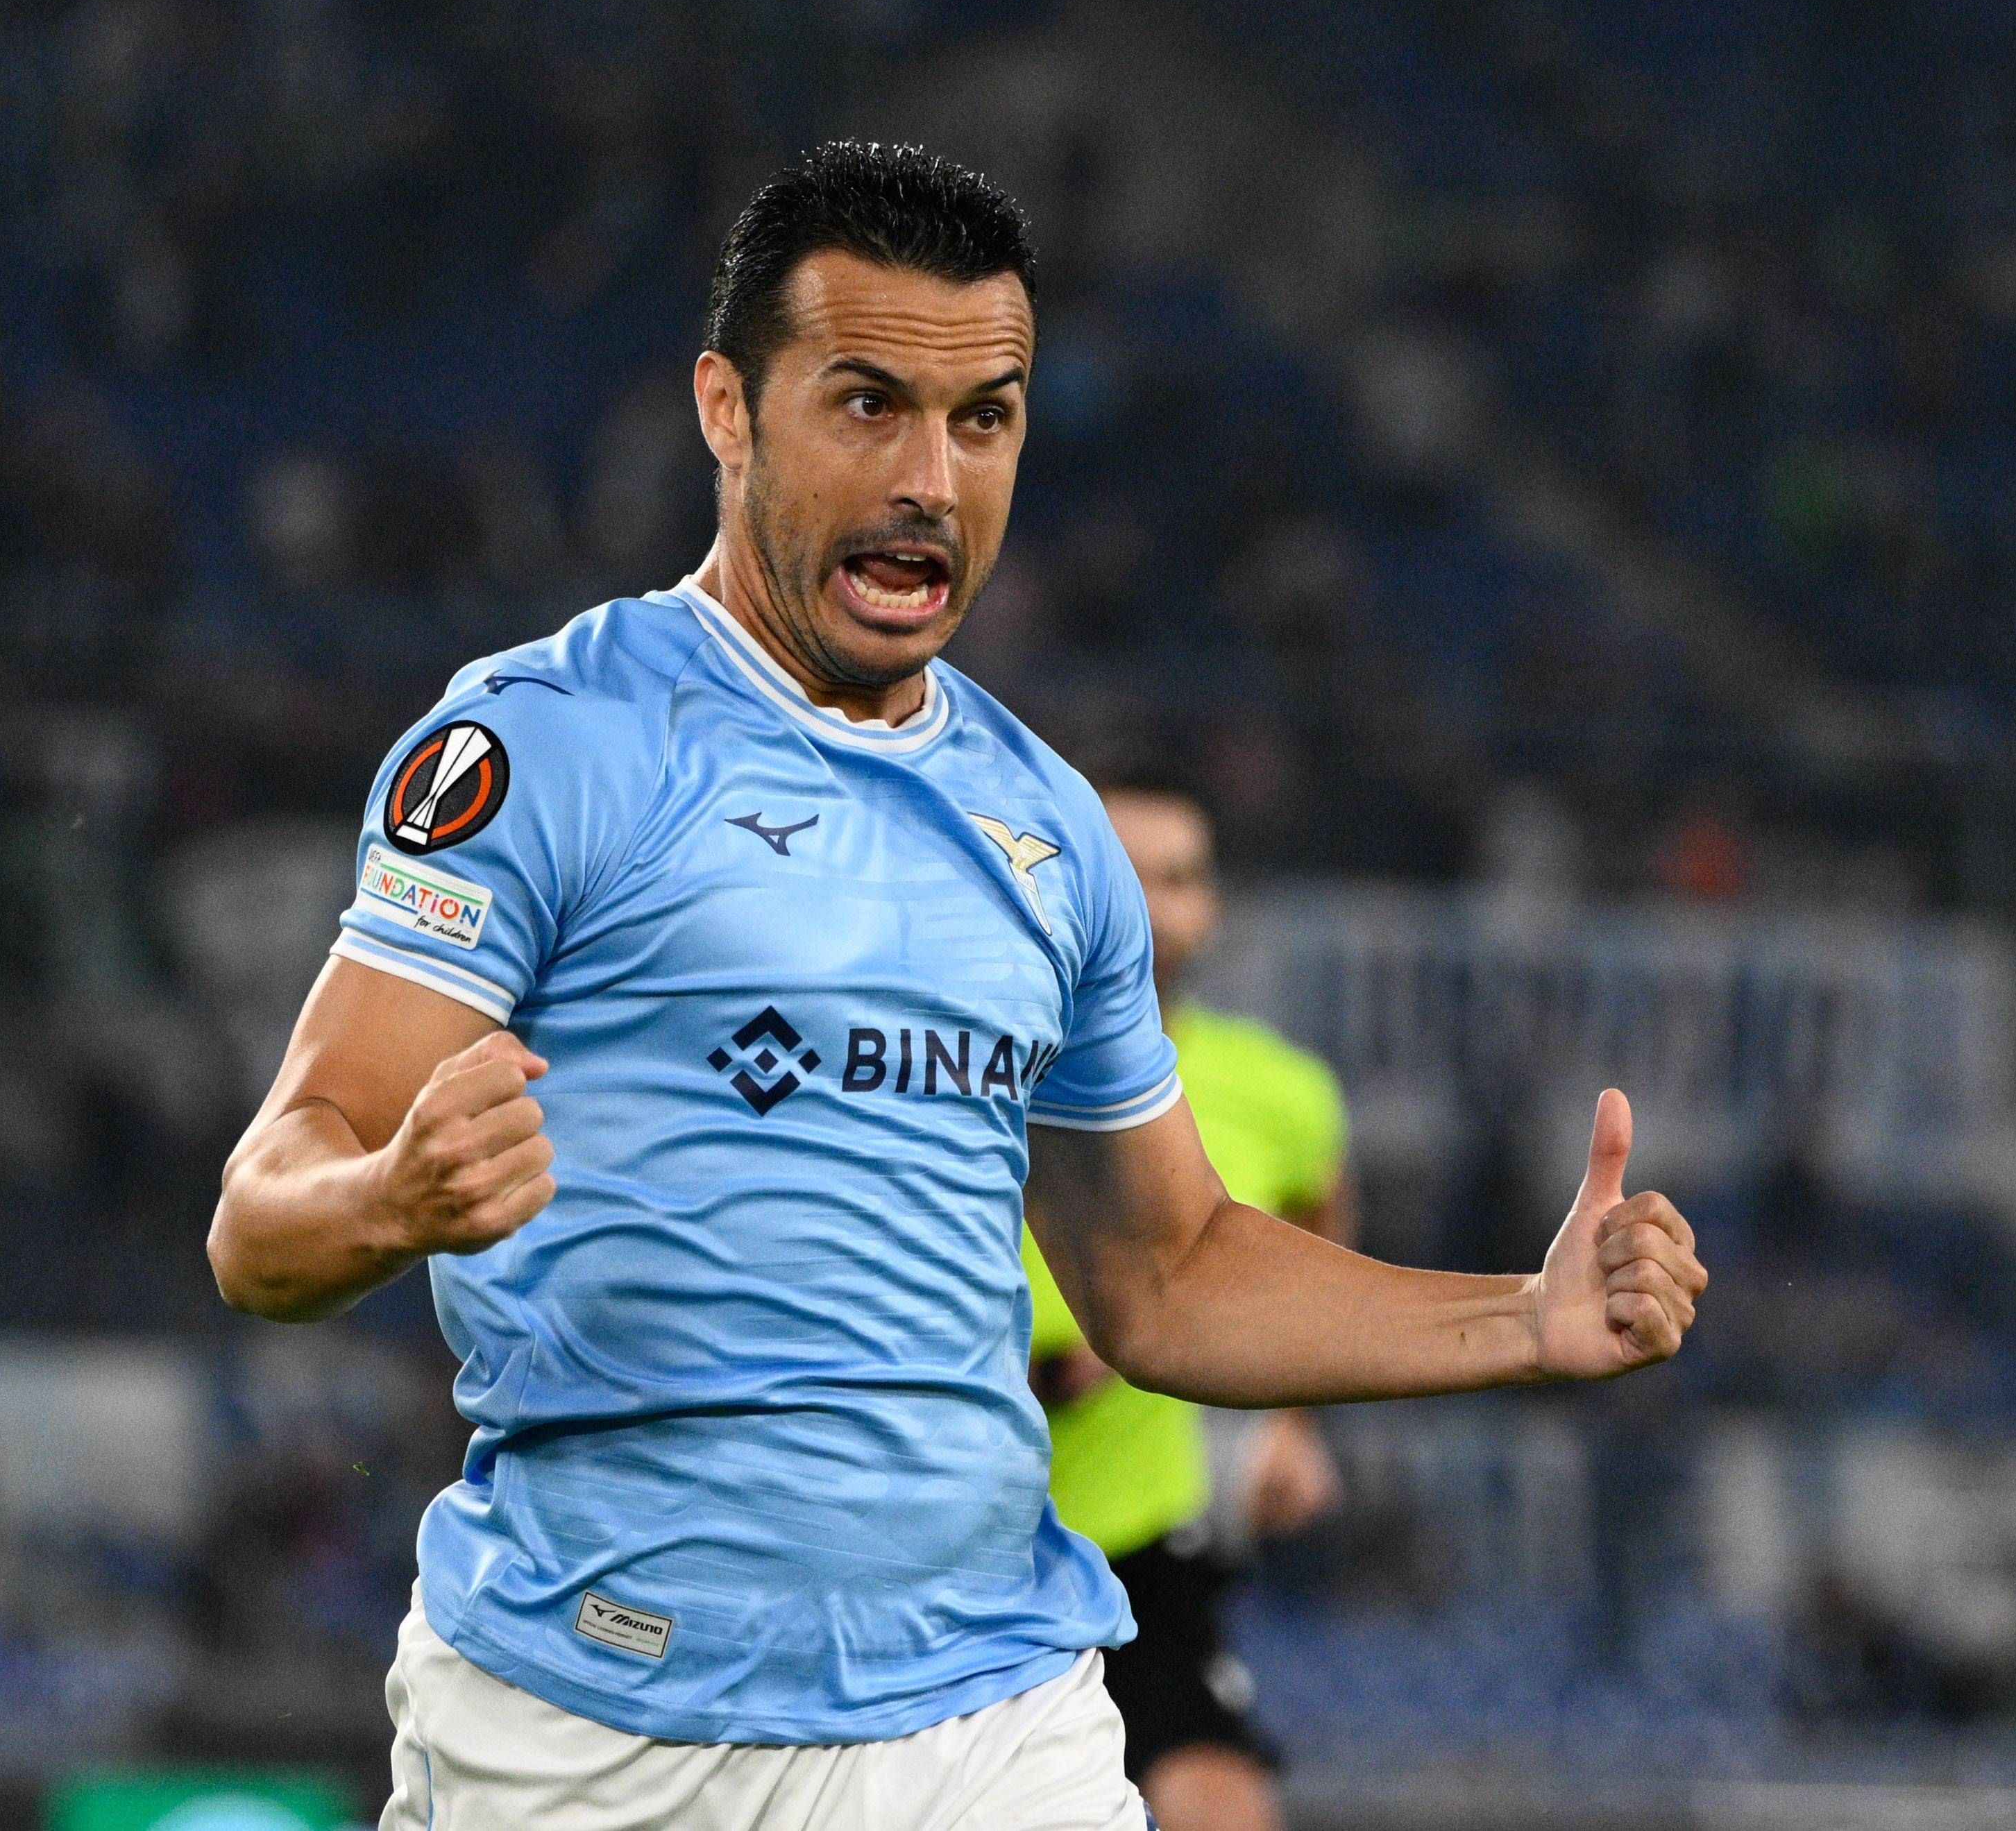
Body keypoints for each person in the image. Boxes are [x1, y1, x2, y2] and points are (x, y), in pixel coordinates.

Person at [208, 142, 1706, 1831]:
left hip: (987, 1716)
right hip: (595, 1722)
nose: (932, 476)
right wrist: (388, 1194)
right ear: (725, 408)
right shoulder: (542, 747)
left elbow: (1164, 1276)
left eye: (982, 416)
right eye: (866, 404)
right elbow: (260, 1219)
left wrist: (1519, 1316)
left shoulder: (1046, 829)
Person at [1024, 783, 1353, 1831]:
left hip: (1132, 1541)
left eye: (1180, 879)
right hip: (936, 1523)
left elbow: (1317, 1222)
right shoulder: (966, 1051)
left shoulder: (1283, 1092)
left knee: (1222, 1802)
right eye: (1125, 874)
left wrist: (1294, 1426)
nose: (1155, 909)